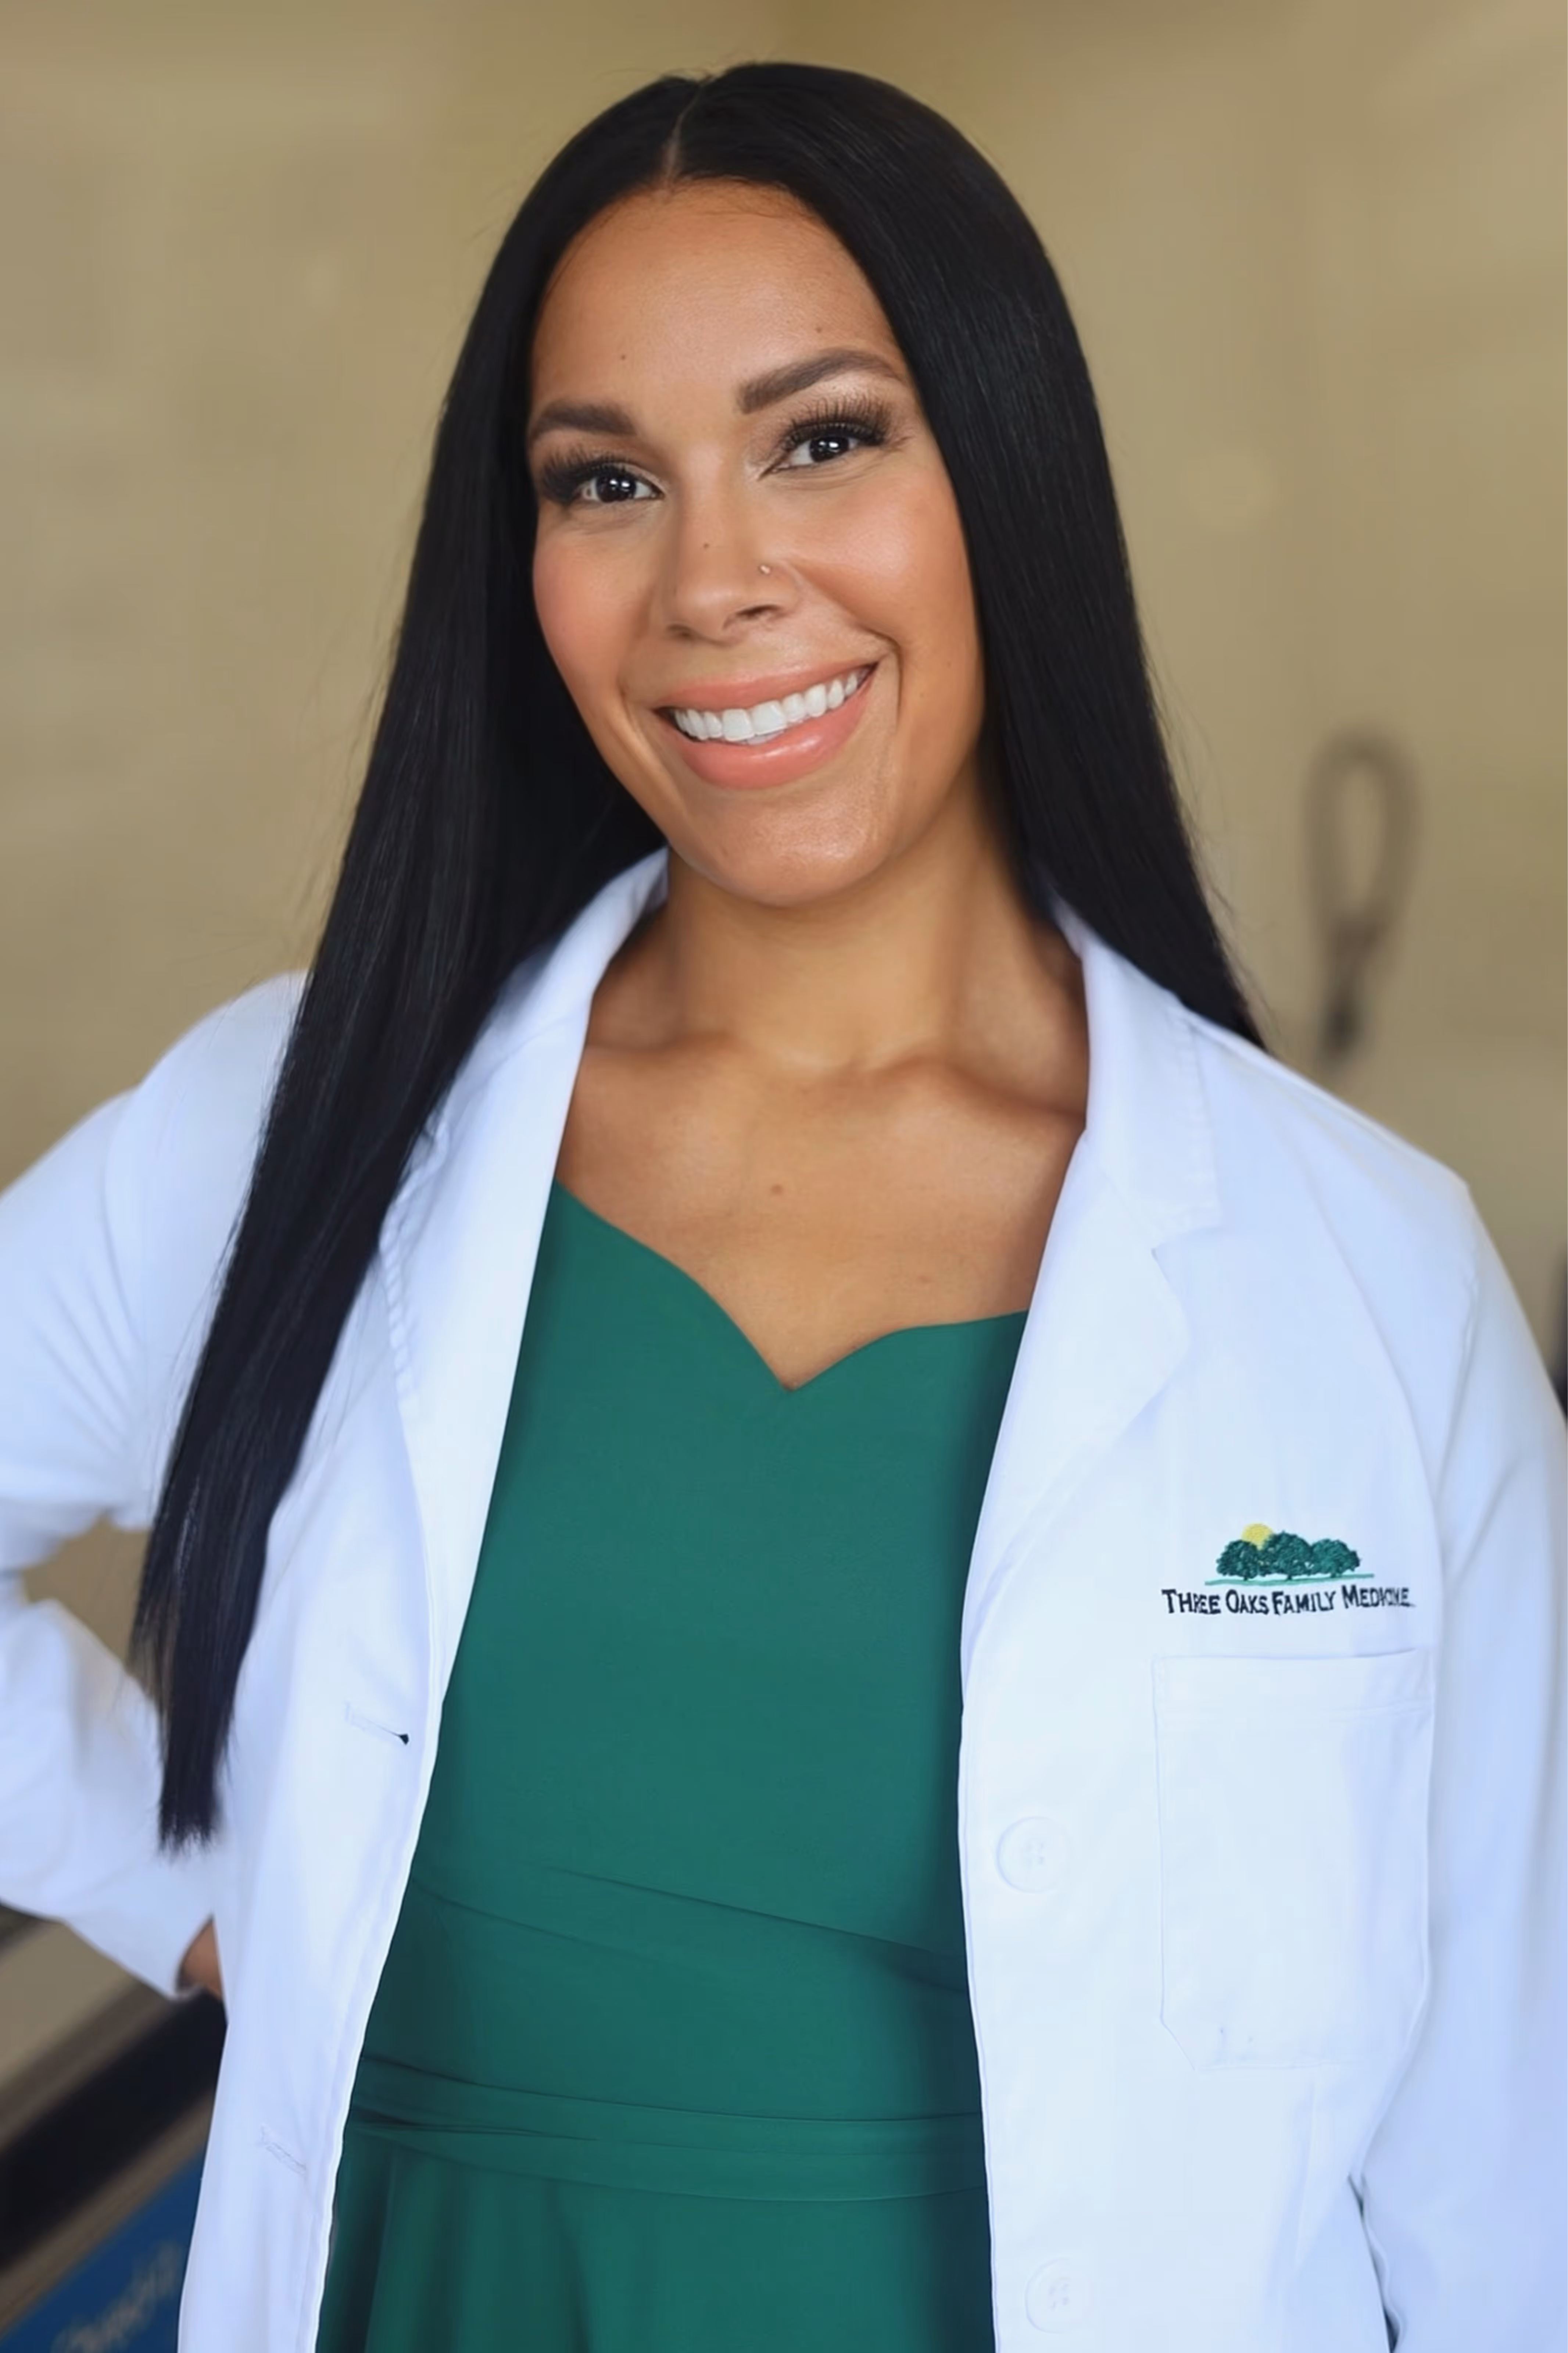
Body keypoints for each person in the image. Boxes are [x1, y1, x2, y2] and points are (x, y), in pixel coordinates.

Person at [0, 58, 1561, 2353]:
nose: (716, 579)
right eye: (603, 480)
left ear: (1000, 481)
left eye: (822, 438)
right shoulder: (300, 1120)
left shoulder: (1365, 1270)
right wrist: (201, 1885)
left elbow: (1494, 2160)